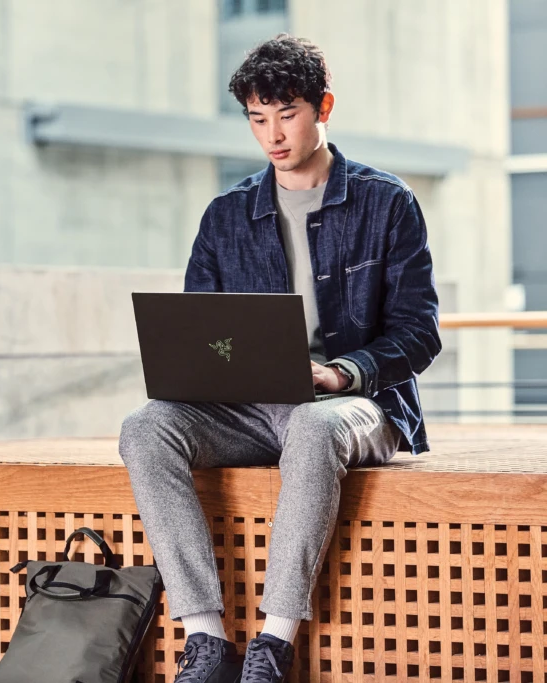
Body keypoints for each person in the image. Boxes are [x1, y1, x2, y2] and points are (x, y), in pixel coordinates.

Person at [118, 34, 441, 682]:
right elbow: (198, 329)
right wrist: (208, 371)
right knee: (144, 426)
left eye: (286, 113)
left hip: (351, 402)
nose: (272, 133)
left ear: (323, 105)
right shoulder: (228, 215)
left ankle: (273, 642)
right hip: (248, 406)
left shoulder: (387, 204)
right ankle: (206, 640)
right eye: (257, 118)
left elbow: (420, 330)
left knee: (317, 425)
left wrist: (343, 371)